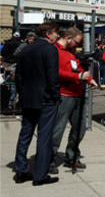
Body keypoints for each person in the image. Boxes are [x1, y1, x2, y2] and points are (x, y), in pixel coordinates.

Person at [13, 23, 60, 186]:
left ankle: (21, 171)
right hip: (46, 99)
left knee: (25, 134)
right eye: (55, 33)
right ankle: (40, 175)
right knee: (44, 137)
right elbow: (52, 76)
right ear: (48, 34)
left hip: (28, 98)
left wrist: (21, 93)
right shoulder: (50, 50)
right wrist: (56, 95)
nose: (57, 36)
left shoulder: (26, 49)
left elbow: (18, 75)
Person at [50, 27, 98, 174]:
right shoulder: (55, 51)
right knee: (58, 129)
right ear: (68, 37)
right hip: (64, 95)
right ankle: (49, 159)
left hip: (77, 94)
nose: (77, 45)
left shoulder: (70, 53)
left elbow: (76, 69)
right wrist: (78, 77)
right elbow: (56, 72)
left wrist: (88, 78)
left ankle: (72, 156)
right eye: (76, 42)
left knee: (80, 128)